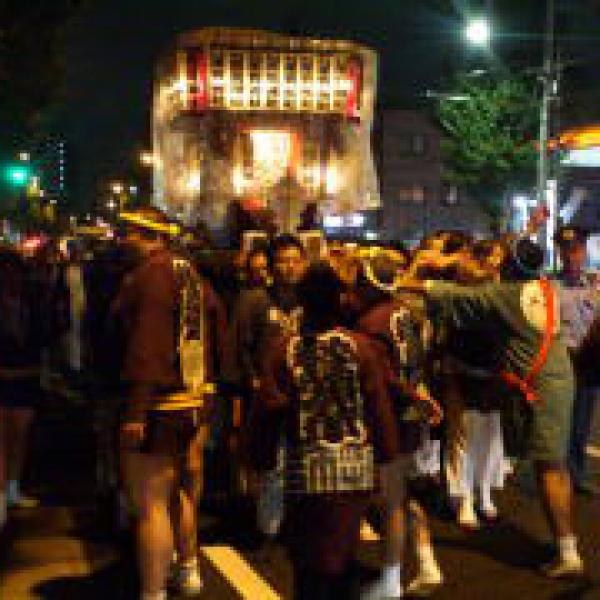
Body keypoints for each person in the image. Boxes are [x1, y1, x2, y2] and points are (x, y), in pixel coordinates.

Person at [402, 238, 584, 578]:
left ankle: (567, 550)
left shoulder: (503, 296)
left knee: (548, 467)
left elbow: (447, 295)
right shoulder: (544, 287)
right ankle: (566, 543)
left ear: (510, 267)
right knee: (553, 463)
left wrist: (415, 273)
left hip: (537, 387)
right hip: (560, 377)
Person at [254, 262, 400, 600]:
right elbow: (377, 405)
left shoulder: (285, 349)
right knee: (342, 554)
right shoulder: (359, 347)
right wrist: (386, 451)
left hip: (306, 470)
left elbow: (269, 409)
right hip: (355, 469)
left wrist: (258, 455)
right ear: (339, 300)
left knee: (306, 558)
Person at [112, 207, 223, 600]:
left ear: (152, 236)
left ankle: (153, 590)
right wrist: (209, 391)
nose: (125, 238)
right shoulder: (190, 272)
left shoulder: (152, 276)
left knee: (151, 504)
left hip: (161, 402)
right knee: (182, 490)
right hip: (193, 397)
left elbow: (148, 346)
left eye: (132, 232)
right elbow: (216, 328)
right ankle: (188, 567)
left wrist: (136, 411)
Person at [352, 251, 444, 599]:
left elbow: (384, 379)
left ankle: (390, 581)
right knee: (401, 494)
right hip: (410, 417)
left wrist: (413, 396)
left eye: (360, 280)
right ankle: (427, 561)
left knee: (390, 501)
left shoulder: (372, 323)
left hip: (389, 416)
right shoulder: (407, 312)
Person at [224, 234, 307, 537]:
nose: (289, 267)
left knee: (301, 460)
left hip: (303, 393)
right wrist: (252, 381)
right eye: (283, 261)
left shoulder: (311, 300)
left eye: (295, 260)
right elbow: (241, 346)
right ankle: (269, 525)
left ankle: (296, 522)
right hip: (266, 394)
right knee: (272, 461)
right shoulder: (255, 299)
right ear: (271, 266)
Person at [0, 244, 47, 528]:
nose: (11, 278)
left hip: (25, 377)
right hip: (5, 377)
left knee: (19, 436)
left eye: (15, 272)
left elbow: (41, 336)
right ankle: (3, 493)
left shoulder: (31, 302)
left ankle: (14, 487)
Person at [554, 226, 600, 496]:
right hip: (560, 361)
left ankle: (576, 474)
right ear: (559, 253)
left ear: (584, 252)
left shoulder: (594, 287)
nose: (572, 257)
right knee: (559, 423)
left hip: (587, 363)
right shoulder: (548, 286)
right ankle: (556, 475)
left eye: (577, 251)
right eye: (567, 251)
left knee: (581, 423)